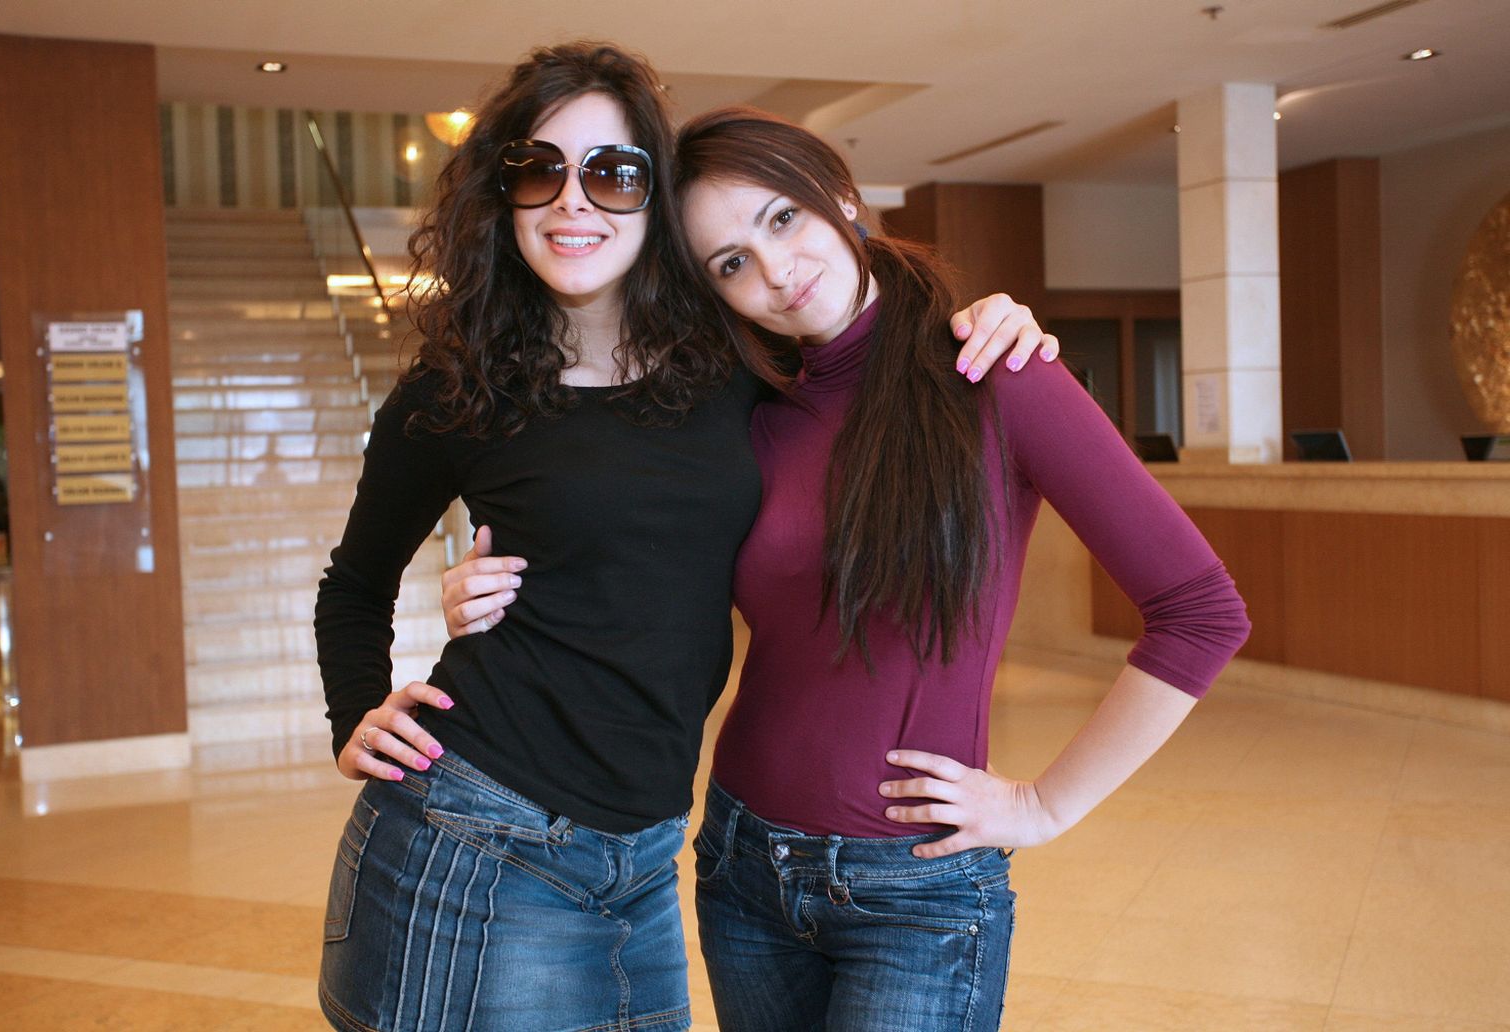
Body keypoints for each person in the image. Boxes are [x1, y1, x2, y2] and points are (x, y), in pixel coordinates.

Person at [443, 106, 1251, 1031]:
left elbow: (1201, 611)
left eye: (782, 218)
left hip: (916, 891)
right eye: (730, 263)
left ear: (840, 194)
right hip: (743, 863)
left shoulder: (993, 371)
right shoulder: (748, 409)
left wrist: (1044, 805)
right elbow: (630, 561)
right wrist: (484, 592)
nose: (775, 271)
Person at [313, 42, 1050, 1032]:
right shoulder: (458, 389)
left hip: (646, 856)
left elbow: (854, 334)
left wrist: (986, 319)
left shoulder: (733, 358)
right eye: (539, 170)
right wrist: (355, 714)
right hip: (477, 835)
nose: (573, 202)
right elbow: (354, 585)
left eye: (612, 173)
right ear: (502, 194)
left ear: (655, 195)